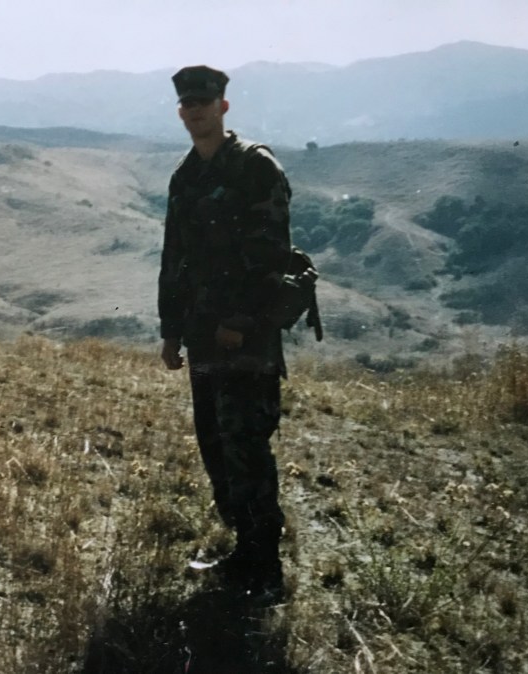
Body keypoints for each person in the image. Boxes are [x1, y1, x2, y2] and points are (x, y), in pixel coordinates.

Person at [158, 65, 317, 598]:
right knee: (215, 445)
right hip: (202, 335)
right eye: (187, 104)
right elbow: (174, 259)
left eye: (204, 102)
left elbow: (271, 254)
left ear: (223, 107)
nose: (195, 111)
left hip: (246, 338)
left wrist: (239, 323)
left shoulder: (254, 167)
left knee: (245, 445)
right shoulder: (186, 177)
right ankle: (243, 553)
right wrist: (171, 330)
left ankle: (264, 570)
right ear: (180, 110)